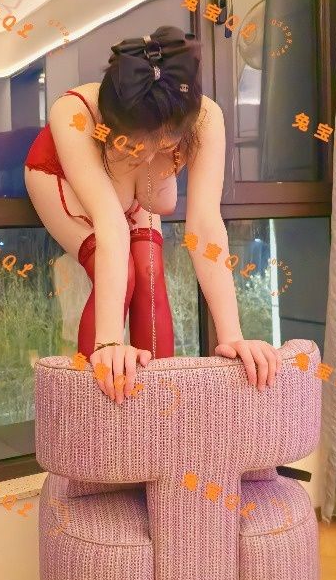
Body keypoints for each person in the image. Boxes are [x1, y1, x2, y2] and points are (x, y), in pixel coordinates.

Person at [24, 25, 279, 404]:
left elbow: (205, 226)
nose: (149, 153)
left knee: (149, 272)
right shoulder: (73, 112)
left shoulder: (206, 118)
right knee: (124, 274)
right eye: (138, 142)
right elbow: (110, 223)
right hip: (61, 177)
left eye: (164, 142)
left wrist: (232, 336)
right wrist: (109, 344)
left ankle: (160, 408)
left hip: (133, 189)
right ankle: (91, 406)